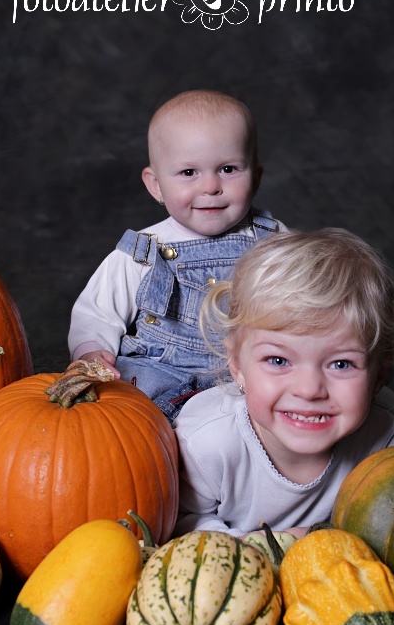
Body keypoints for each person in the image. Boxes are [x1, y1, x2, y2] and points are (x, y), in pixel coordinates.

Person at [173, 228, 394, 538]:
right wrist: (250, 547)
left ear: (379, 376)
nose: (308, 390)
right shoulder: (206, 442)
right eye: (278, 361)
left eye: (341, 364)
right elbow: (180, 518)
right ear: (237, 366)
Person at [68, 90, 287, 422]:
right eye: (189, 173)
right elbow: (98, 313)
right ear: (156, 185)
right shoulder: (143, 251)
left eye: (228, 169)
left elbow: (311, 301)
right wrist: (91, 352)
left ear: (255, 178)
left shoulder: (274, 242)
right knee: (127, 415)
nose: (211, 186)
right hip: (160, 371)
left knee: (268, 409)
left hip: (244, 376)